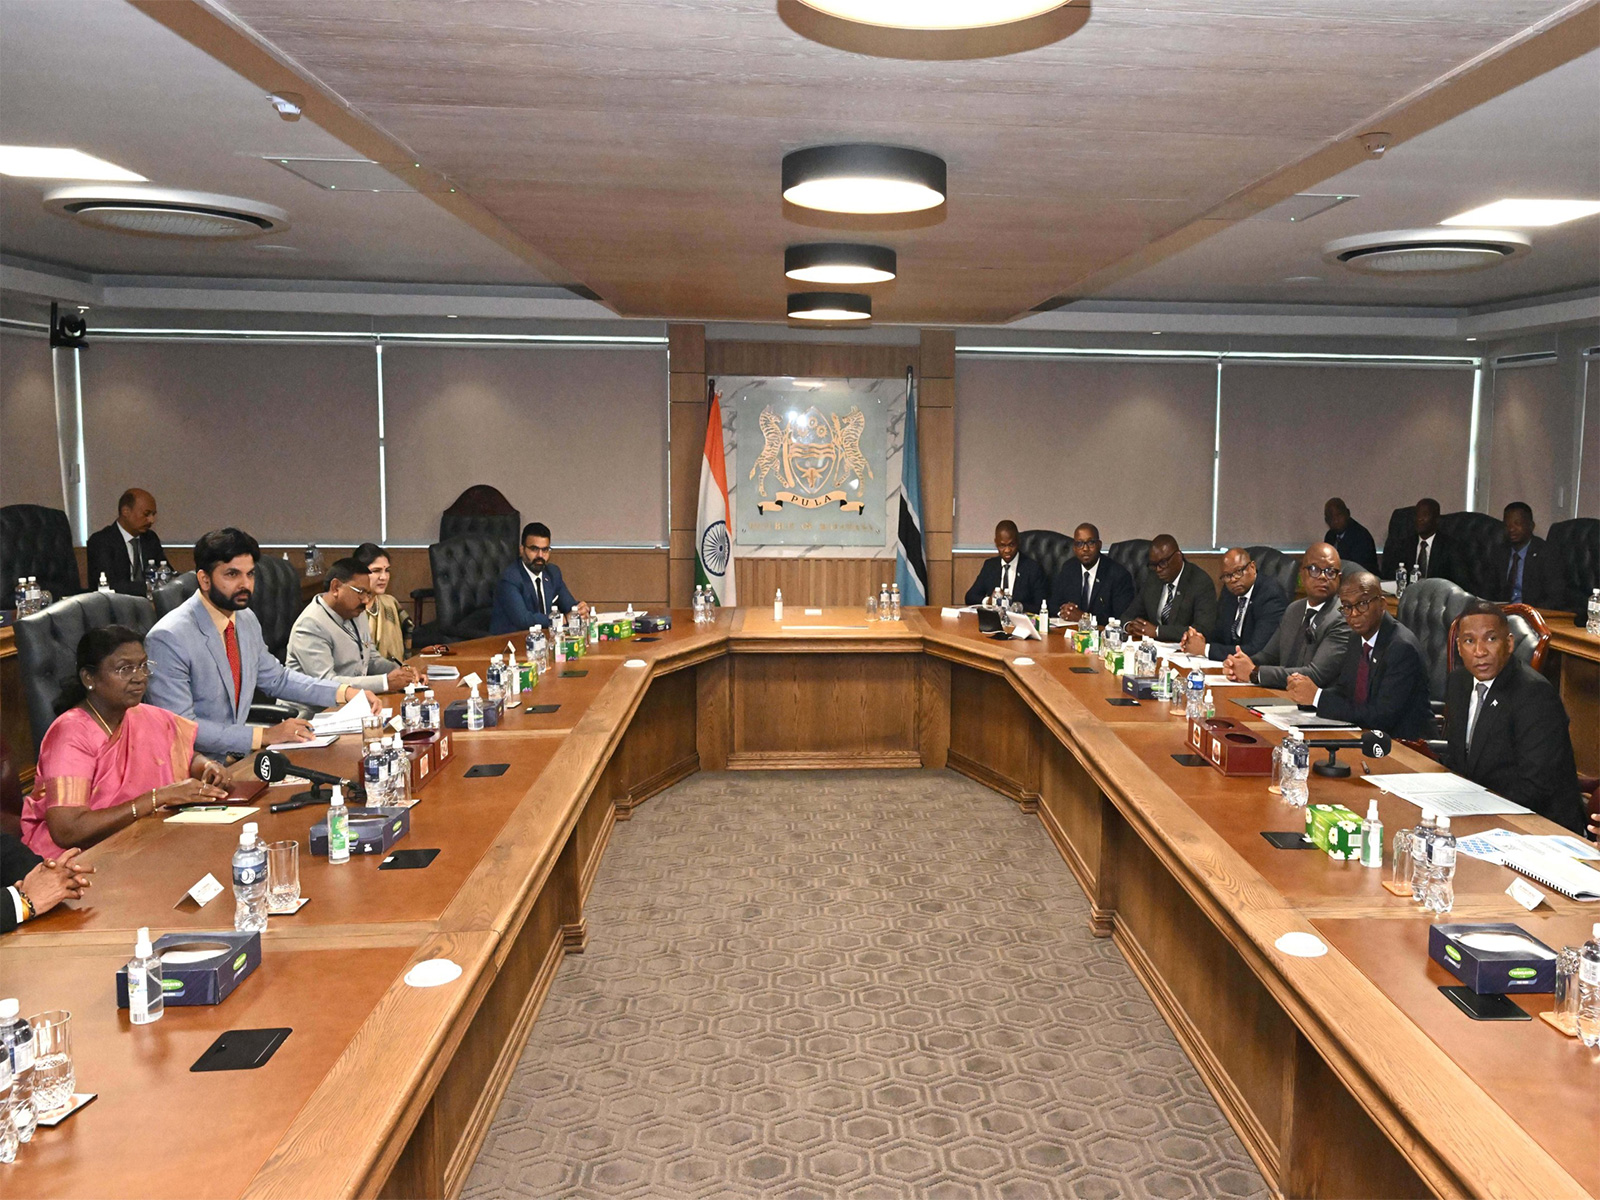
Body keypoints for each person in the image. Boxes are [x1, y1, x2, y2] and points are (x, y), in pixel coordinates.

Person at [146, 529, 375, 757]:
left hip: (236, 758)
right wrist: (263, 736)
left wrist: (345, 692)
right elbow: (180, 726)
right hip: (191, 768)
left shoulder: (244, 619)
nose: (245, 584)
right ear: (204, 580)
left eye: (250, 574)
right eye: (232, 574)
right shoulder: (169, 637)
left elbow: (277, 679)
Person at [24, 626, 231, 859]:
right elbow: (68, 830)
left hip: (147, 837)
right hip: (81, 858)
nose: (140, 677)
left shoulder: (144, 715)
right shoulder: (70, 734)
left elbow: (183, 754)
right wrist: (157, 798)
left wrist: (206, 767)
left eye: (143, 666)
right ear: (88, 678)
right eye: (124, 669)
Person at [1440, 600, 1586, 833]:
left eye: (1491, 639)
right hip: (1483, 814)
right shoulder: (1459, 683)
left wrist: (1474, 808)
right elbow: (1460, 761)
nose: (1480, 651)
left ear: (1509, 643)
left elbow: (1536, 788)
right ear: (1459, 647)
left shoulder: (1534, 694)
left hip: (1540, 826)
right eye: (1469, 641)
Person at [1284, 571, 1434, 738]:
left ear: (1382, 604)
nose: (1354, 614)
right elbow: (1346, 690)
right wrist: (1308, 696)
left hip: (1408, 747)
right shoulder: (1356, 637)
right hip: (1367, 736)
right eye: (1347, 607)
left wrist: (1317, 698)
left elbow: (1381, 717)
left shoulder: (1401, 647)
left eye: (1362, 604)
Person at [287, 558, 420, 701]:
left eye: (368, 594)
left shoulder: (355, 612)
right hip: (312, 714)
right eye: (360, 592)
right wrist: (385, 682)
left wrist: (402, 672)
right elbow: (325, 683)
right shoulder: (310, 625)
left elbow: (370, 659)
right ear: (336, 587)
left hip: (352, 704)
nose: (365, 600)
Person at [1224, 543, 1351, 687]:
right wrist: (1239, 664)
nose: (1322, 577)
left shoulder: (1342, 617)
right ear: (1302, 575)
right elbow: (1268, 656)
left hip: (1314, 705)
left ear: (1339, 578)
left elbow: (1316, 675)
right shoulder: (1294, 609)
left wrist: (1254, 673)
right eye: (1314, 569)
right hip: (1280, 697)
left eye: (1330, 571)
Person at [1180, 547, 1287, 662]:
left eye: (1238, 572)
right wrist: (1197, 638)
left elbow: (1258, 650)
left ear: (1252, 567)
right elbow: (1219, 633)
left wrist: (1205, 649)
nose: (1233, 580)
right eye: (1227, 576)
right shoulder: (1230, 592)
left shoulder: (1271, 595)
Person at [490, 522, 591, 635]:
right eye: (534, 549)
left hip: (544, 641)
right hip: (510, 643)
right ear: (522, 550)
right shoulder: (510, 579)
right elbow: (524, 620)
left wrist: (579, 610)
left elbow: (569, 605)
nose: (540, 556)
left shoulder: (552, 573)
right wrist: (563, 619)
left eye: (545, 550)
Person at [1121, 535, 1217, 643]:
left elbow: (1203, 629)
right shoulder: (1153, 579)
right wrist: (1129, 626)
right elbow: (1128, 615)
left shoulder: (1200, 582)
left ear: (1178, 556)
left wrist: (1158, 631)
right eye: (1154, 565)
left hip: (1184, 650)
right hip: (1155, 648)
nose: (1158, 570)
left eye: (1163, 563)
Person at [84, 488, 165, 596]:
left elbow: (165, 572)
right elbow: (110, 585)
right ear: (125, 511)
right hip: (117, 607)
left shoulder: (150, 538)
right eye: (146, 514)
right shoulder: (101, 541)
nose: (151, 520)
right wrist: (150, 586)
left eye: (153, 514)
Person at [1050, 523, 1135, 625]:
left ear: (1099, 545)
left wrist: (1084, 617)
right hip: (1070, 632)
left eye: (1090, 543)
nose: (1085, 549)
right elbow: (1054, 604)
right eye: (1079, 544)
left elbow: (1121, 618)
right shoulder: (1069, 568)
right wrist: (1064, 611)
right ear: (1074, 548)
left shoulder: (1118, 575)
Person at [1489, 502, 1564, 608]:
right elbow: (1488, 591)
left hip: (1533, 615)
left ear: (1531, 526)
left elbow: (1555, 597)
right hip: (1503, 615)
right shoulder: (1500, 552)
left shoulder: (1546, 553)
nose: (1511, 529)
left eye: (1517, 523)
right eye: (1507, 524)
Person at [965, 520, 1048, 611]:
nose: (1007, 550)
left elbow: (1041, 605)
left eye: (1011, 545)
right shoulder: (990, 566)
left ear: (1018, 542)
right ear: (996, 543)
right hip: (995, 622)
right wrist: (989, 601)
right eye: (1002, 546)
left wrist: (1016, 606)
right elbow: (970, 597)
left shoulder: (1032, 568)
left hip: (1020, 622)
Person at [353, 542, 414, 661]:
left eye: (387, 570)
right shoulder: (349, 609)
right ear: (358, 573)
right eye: (376, 571)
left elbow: (407, 631)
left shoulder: (390, 603)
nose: (384, 577)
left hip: (395, 672)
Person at [1383, 497, 1461, 585]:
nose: (1419, 518)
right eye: (1417, 514)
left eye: (1425, 514)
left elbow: (1458, 583)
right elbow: (1390, 577)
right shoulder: (1403, 545)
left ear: (1437, 520)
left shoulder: (1451, 547)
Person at [1323, 498, 1378, 573]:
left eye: (1339, 515)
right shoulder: (1330, 536)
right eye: (1331, 517)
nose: (1335, 520)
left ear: (1347, 513)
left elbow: (1357, 568)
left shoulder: (1361, 536)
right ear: (1326, 521)